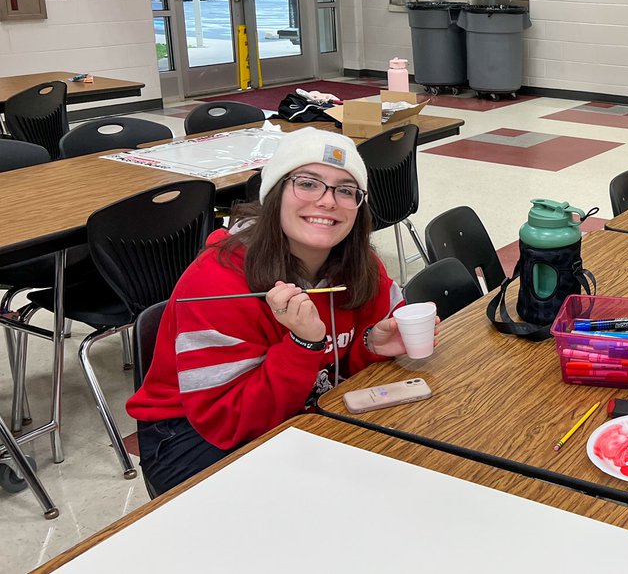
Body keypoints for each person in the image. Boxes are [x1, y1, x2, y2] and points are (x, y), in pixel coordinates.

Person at [128, 128, 436, 494]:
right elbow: (229, 422)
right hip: (192, 434)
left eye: (345, 190)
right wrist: (303, 346)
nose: (327, 201)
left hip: (299, 409)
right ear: (274, 194)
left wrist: (370, 343)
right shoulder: (217, 279)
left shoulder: (361, 264)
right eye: (307, 184)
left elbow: (345, 360)